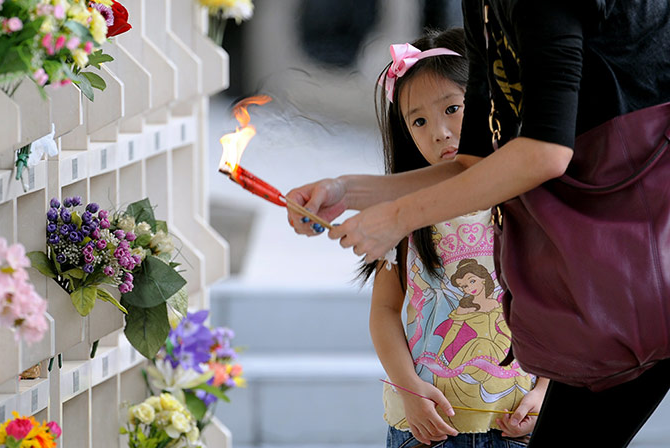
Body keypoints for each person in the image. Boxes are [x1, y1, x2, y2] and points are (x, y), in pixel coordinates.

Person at [287, 1, 670, 446]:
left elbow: (545, 152)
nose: (440, 130)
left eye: (451, 109)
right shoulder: (481, 8)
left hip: (637, 266)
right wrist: (347, 191)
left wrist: (397, 216)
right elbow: (476, 163)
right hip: (614, 287)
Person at [362, 29, 547, 447]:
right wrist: (408, 389)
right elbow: (385, 311)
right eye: (420, 120)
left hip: (515, 423)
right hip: (425, 427)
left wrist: (544, 392)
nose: (440, 132)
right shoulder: (406, 212)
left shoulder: (525, 204)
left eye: (453, 108)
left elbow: (556, 303)